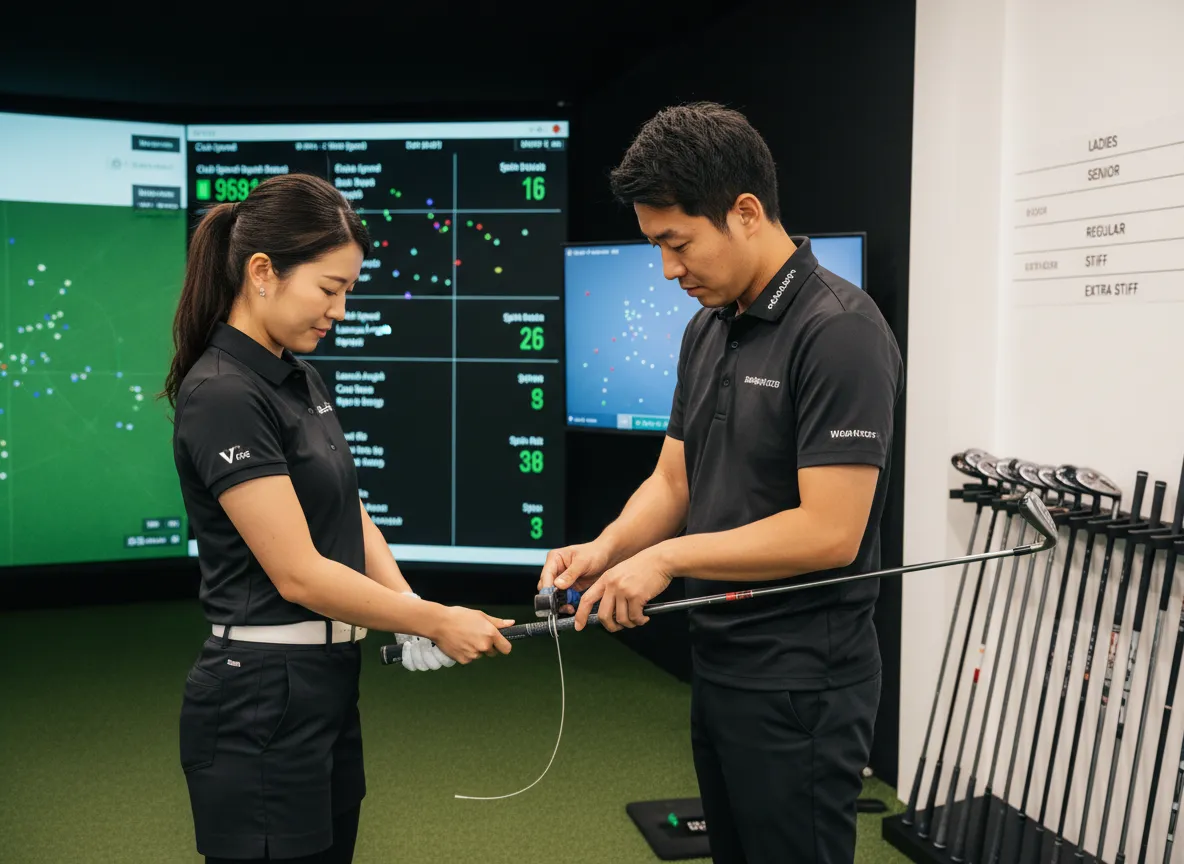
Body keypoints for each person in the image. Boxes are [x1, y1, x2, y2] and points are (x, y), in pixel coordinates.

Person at [539, 103, 903, 864]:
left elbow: (831, 532)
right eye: (656, 247)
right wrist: (605, 549)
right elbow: (673, 480)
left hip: (804, 679)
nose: (669, 270)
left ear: (743, 212)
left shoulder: (841, 330)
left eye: (677, 243)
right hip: (724, 662)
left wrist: (668, 561)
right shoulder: (706, 328)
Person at [165, 173, 514, 863]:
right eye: (330, 289)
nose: (342, 310)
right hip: (258, 698)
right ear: (262, 273)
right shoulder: (222, 394)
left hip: (325, 684)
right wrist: (434, 621)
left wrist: (411, 602)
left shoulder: (300, 377)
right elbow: (297, 573)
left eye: (349, 290)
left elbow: (354, 519)